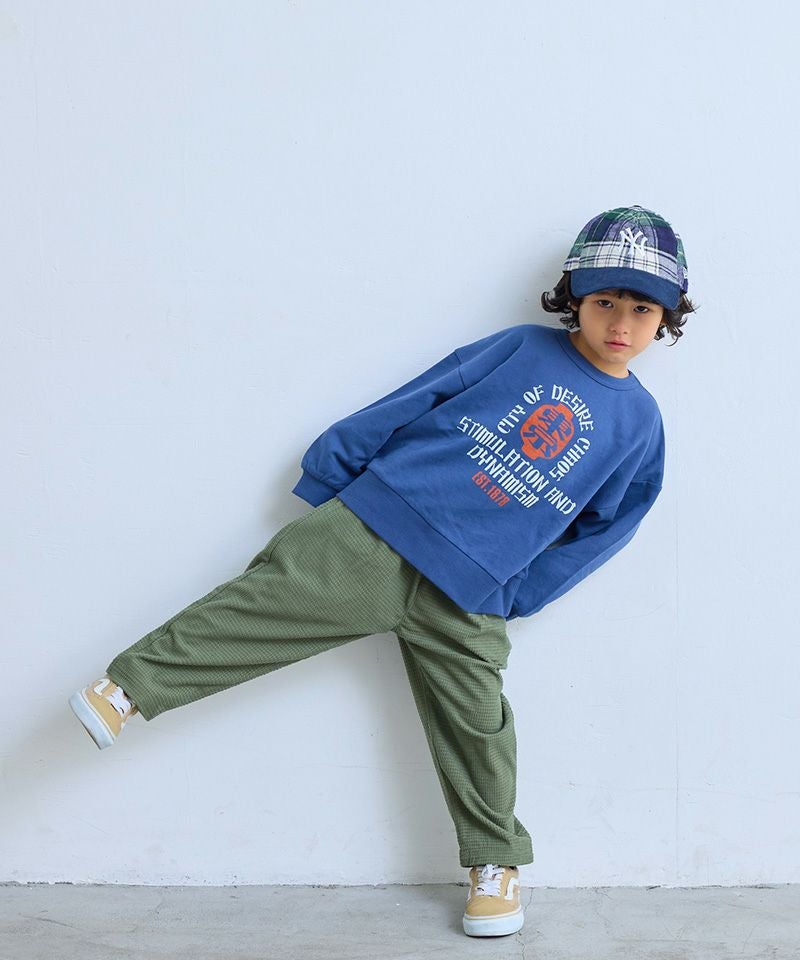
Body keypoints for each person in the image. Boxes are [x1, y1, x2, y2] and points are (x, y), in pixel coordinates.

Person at [69, 204, 695, 938]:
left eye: (641, 308)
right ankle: (128, 688)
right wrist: (334, 468)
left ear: (666, 317)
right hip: (381, 525)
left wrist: (521, 590)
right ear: (575, 300)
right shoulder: (522, 348)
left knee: (479, 728)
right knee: (260, 605)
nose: (620, 322)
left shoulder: (640, 425)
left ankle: (495, 866)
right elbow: (426, 392)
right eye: (605, 301)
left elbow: (607, 528)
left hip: (473, 591)